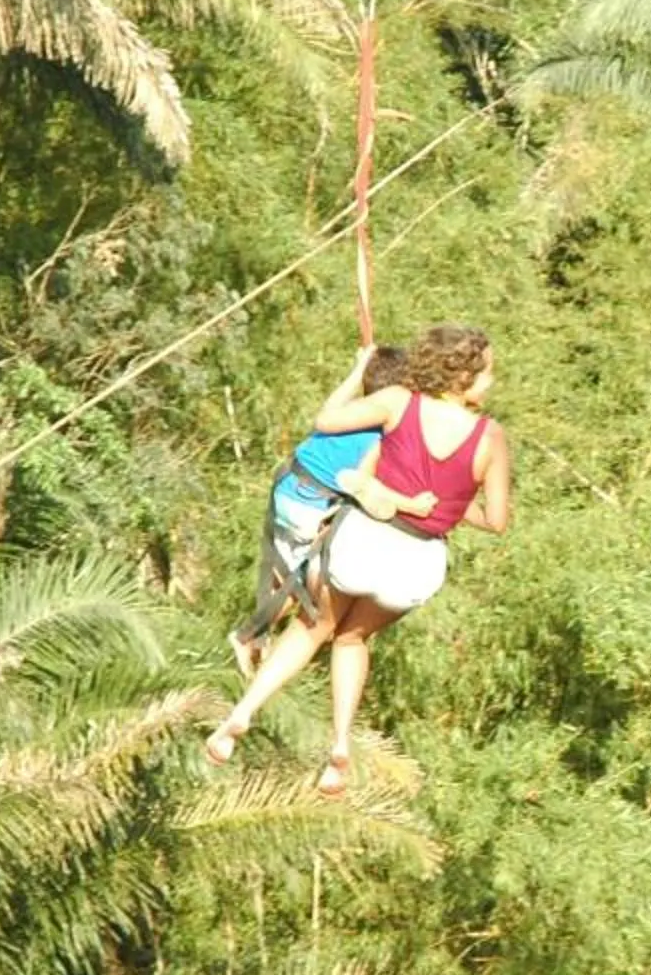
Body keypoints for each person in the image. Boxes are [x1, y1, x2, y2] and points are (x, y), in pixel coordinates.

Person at [203, 323, 513, 789]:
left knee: (312, 628)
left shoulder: (398, 403)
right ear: (463, 375)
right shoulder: (491, 437)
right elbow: (496, 520)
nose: (491, 380)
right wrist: (448, 503)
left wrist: (356, 371)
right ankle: (340, 746)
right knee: (351, 641)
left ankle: (239, 717)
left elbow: (326, 420)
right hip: (419, 563)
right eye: (487, 372)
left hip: (365, 539)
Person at [228, 343, 430, 675]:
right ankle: (246, 636)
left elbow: (325, 411)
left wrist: (358, 367)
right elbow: (363, 484)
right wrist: (413, 505)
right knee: (310, 589)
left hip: (287, 487)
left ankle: (259, 638)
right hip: (307, 506)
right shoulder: (382, 435)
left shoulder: (349, 411)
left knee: (287, 573)